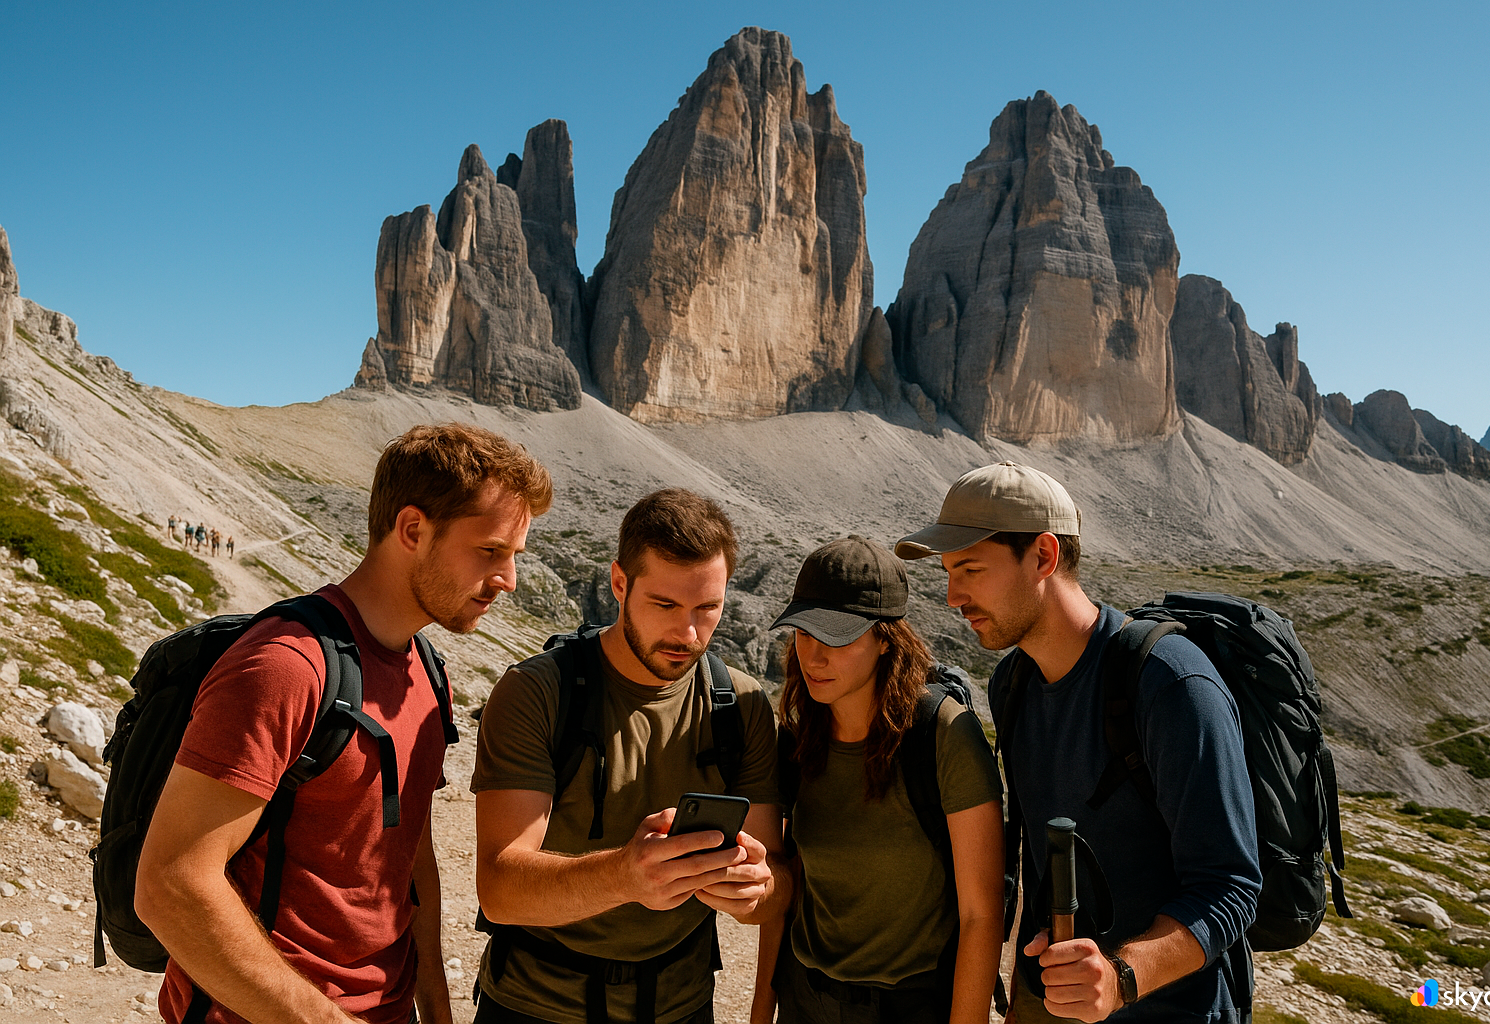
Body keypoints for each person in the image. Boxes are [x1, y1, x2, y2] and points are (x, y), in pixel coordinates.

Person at [136, 422, 554, 1024]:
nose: (507, 580)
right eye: (490, 551)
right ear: (412, 529)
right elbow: (170, 884)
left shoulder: (426, 671)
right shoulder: (283, 666)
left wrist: (433, 1000)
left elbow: (410, 852)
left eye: (515, 556)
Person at [895, 463, 1261, 1024]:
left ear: (1043, 556)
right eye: (948, 572)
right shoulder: (1011, 682)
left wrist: (1120, 978)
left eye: (969, 568)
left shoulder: (1170, 683)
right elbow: (1040, 864)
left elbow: (1231, 888)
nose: (952, 596)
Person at [473, 488, 786, 1024]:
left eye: (707, 608)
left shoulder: (744, 705)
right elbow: (501, 889)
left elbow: (776, 883)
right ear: (619, 583)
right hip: (536, 1006)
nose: (688, 634)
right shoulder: (535, 692)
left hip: (680, 1006)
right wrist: (624, 876)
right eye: (664, 605)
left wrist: (758, 889)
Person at [759, 536, 1004, 1024]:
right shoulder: (800, 736)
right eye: (803, 633)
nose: (813, 656)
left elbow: (983, 915)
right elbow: (790, 887)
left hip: (907, 1008)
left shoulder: (943, 735)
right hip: (806, 1000)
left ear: (886, 638)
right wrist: (761, 1010)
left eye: (837, 637)